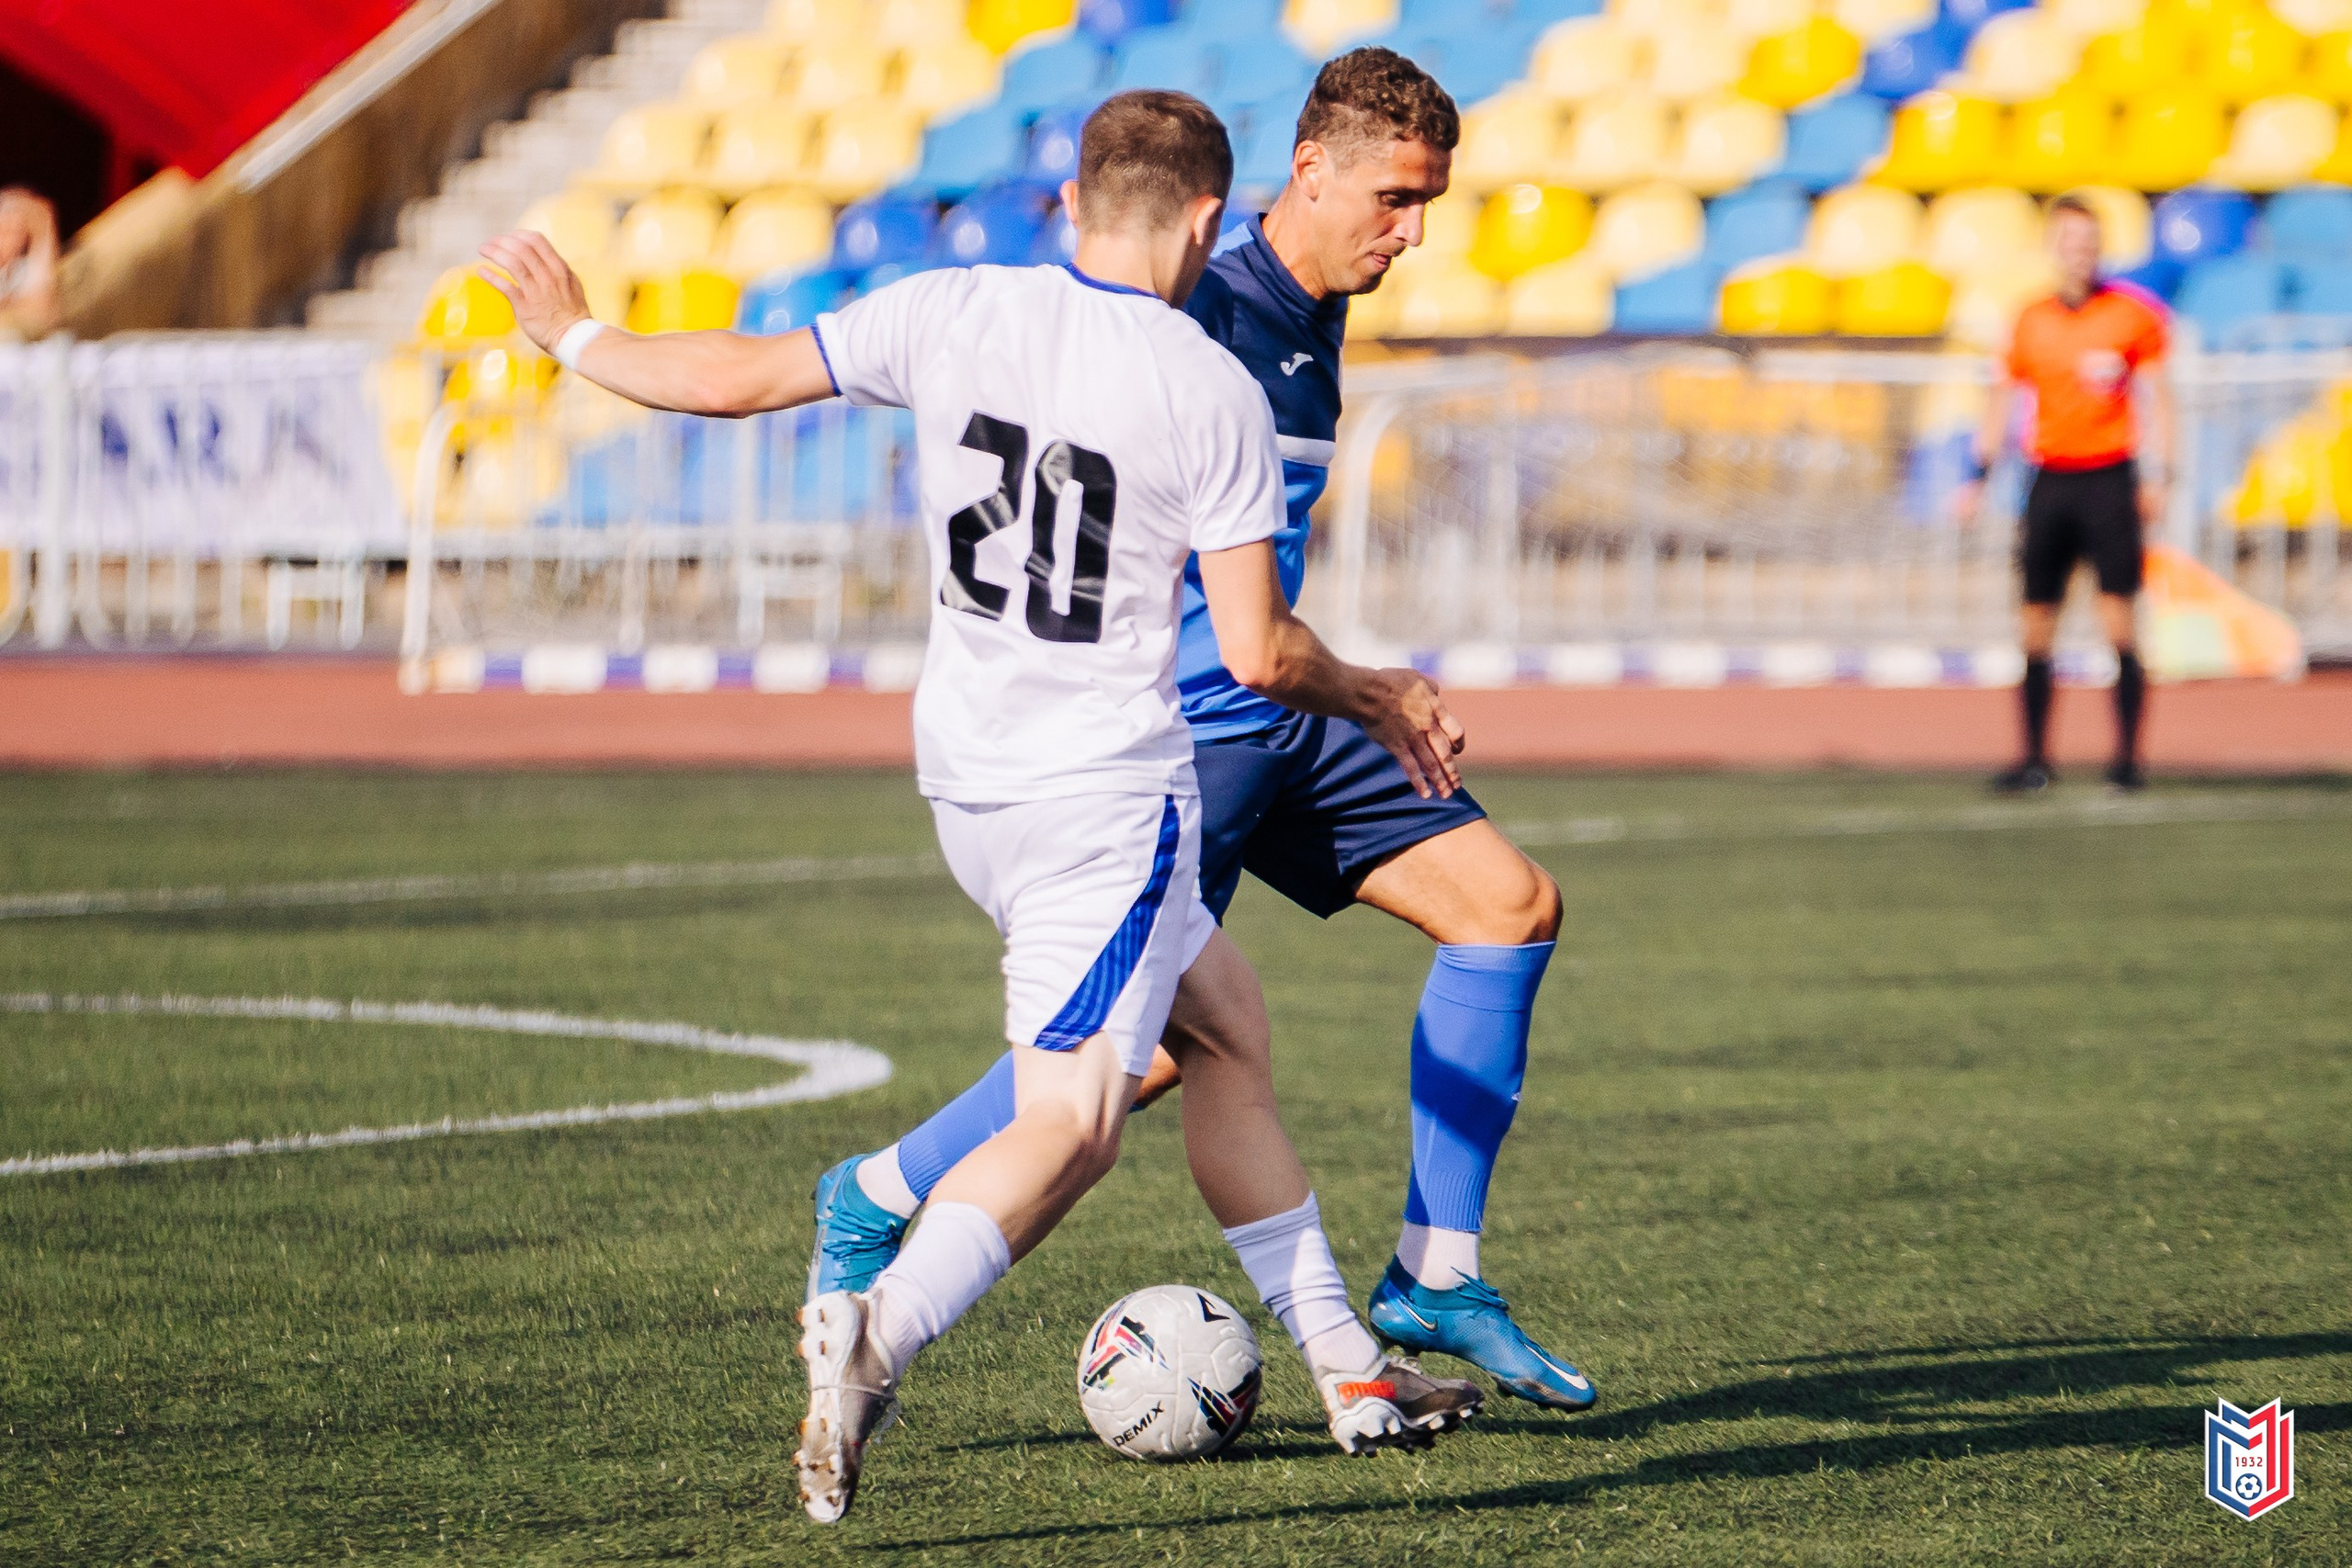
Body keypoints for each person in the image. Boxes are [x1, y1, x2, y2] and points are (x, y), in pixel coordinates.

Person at [479, 89, 1483, 1525]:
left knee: (1223, 1024)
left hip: (967, 776)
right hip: (1100, 792)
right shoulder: (1208, 385)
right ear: (1211, 216)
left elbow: (735, 379)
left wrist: (575, 334)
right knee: (1075, 1121)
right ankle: (876, 1333)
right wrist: (1376, 690)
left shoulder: (951, 307)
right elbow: (1262, 652)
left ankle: (1345, 1362)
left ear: (1073, 202)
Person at [810, 47, 1596, 1416]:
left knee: (1508, 905)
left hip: (1286, 710)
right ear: (1310, 171)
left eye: (1427, 204)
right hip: (1189, 731)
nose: (1411, 233)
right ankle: (878, 1195)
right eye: (1395, 199)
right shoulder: (1203, 311)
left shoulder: (1314, 309)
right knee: (1144, 1056)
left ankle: (1436, 1273)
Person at [1960, 192, 2173, 795]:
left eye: (2088, 242)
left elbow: (2160, 399)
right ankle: (2034, 758)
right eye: (2069, 242)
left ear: (2100, 249)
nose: (2079, 253)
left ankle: (2127, 760)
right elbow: (2002, 401)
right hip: (2050, 479)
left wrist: (2160, 474)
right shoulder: (2030, 320)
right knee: (2035, 621)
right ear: (2054, 248)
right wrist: (1978, 475)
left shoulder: (2132, 317)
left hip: (2109, 478)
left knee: (2119, 621)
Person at [0, 188, 62, 341]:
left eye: (18, 232)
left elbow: (44, 312)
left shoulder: (22, 269)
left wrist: (44, 226)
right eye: (5, 229)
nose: (11, 239)